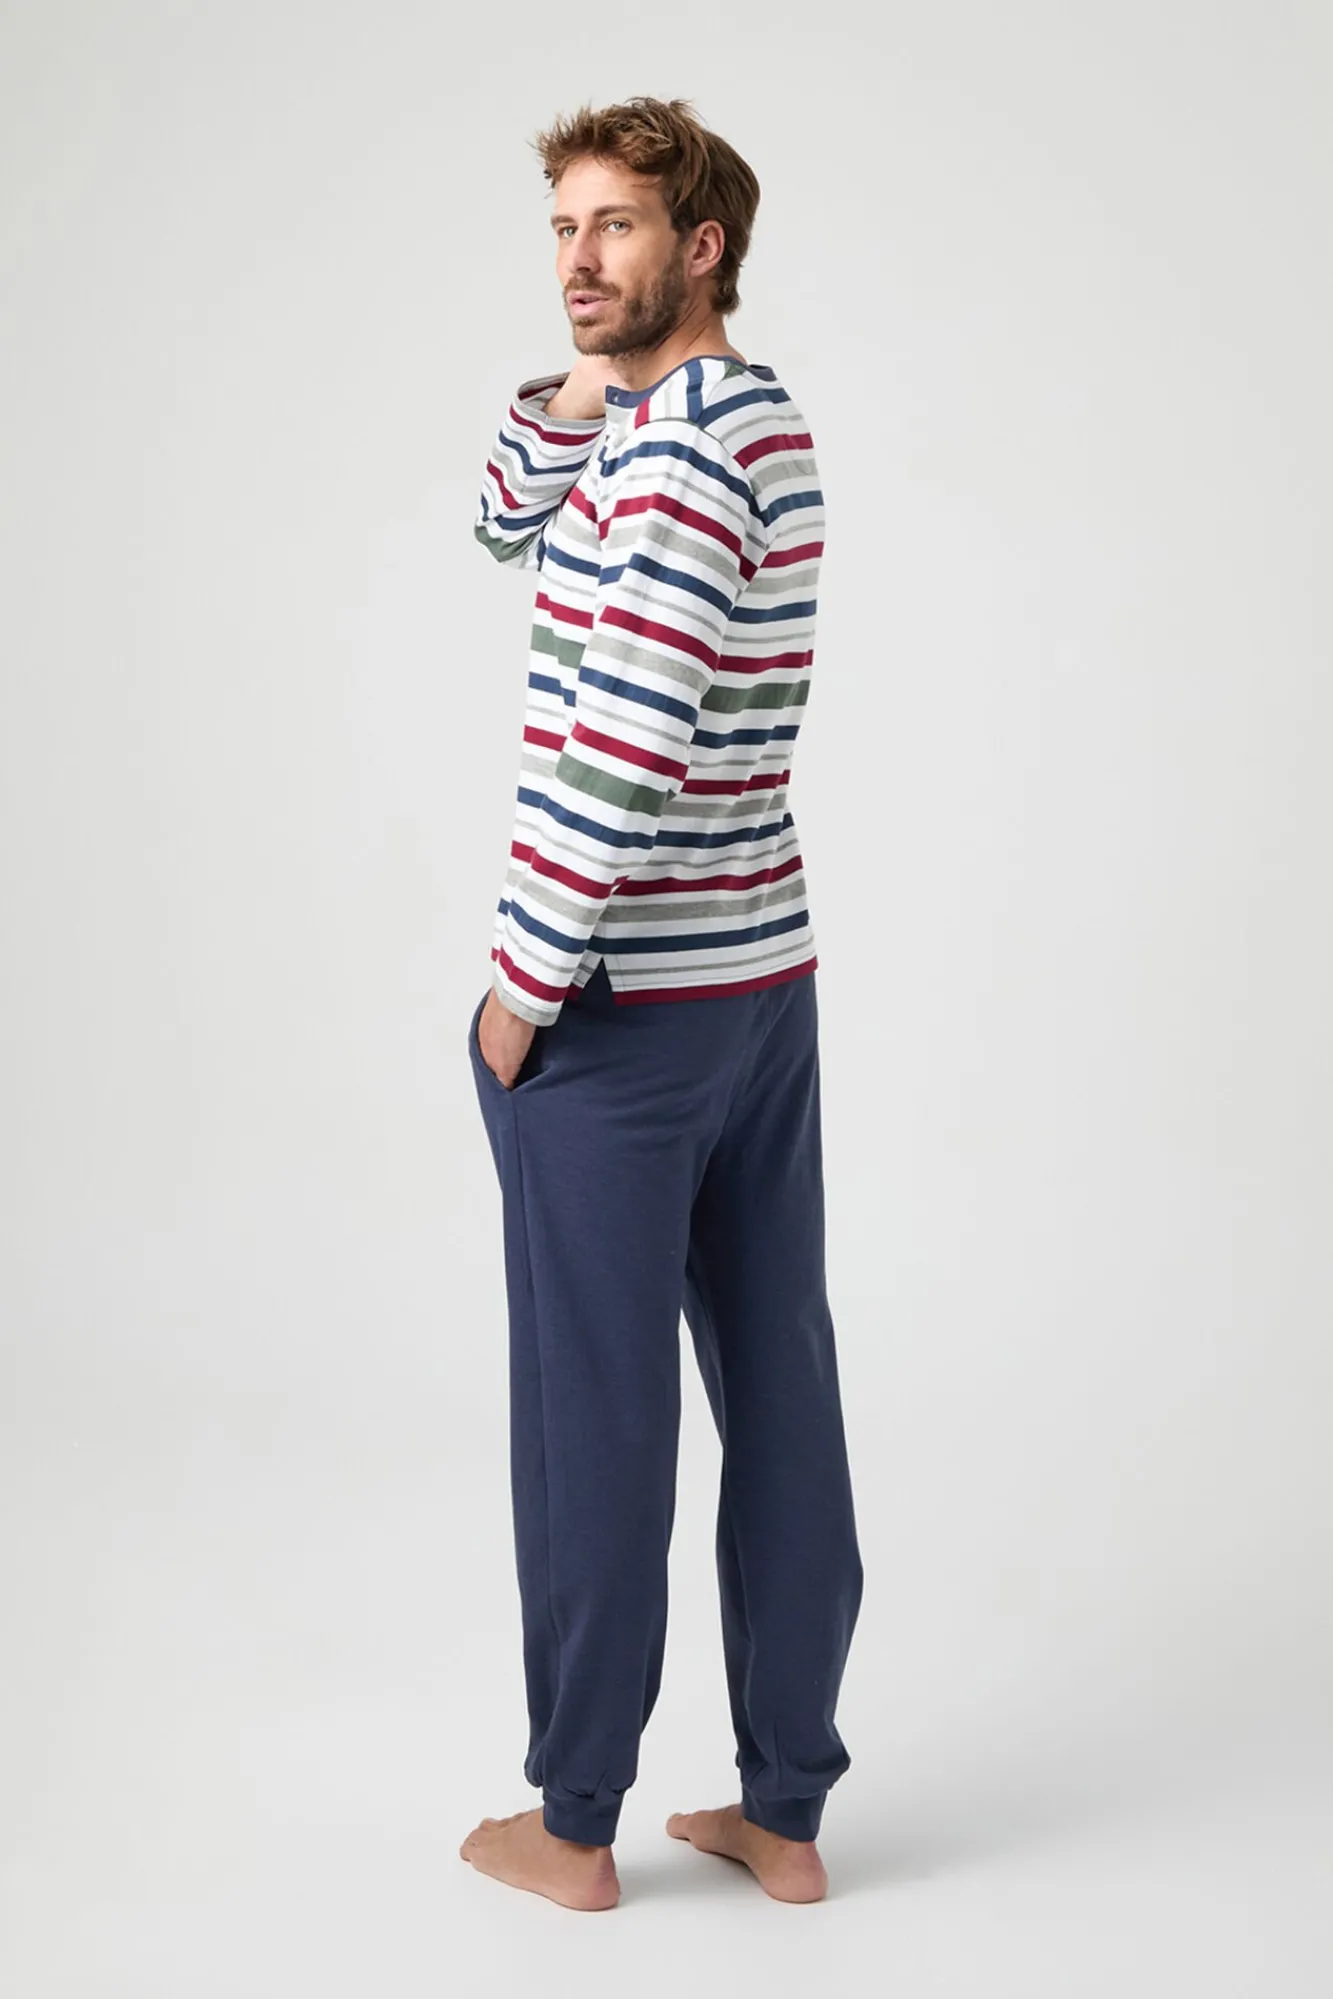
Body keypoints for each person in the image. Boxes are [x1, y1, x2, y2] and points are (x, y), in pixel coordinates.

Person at [460, 95, 863, 1911]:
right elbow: (499, 517)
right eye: (563, 227)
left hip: (624, 1004)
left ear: (703, 247)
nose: (575, 259)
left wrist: (523, 985)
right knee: (778, 1385)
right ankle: (787, 1805)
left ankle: (573, 1824)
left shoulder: (685, 455)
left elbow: (623, 740)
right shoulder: (724, 418)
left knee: (595, 1417)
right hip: (756, 977)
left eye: (614, 226)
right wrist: (587, 380)